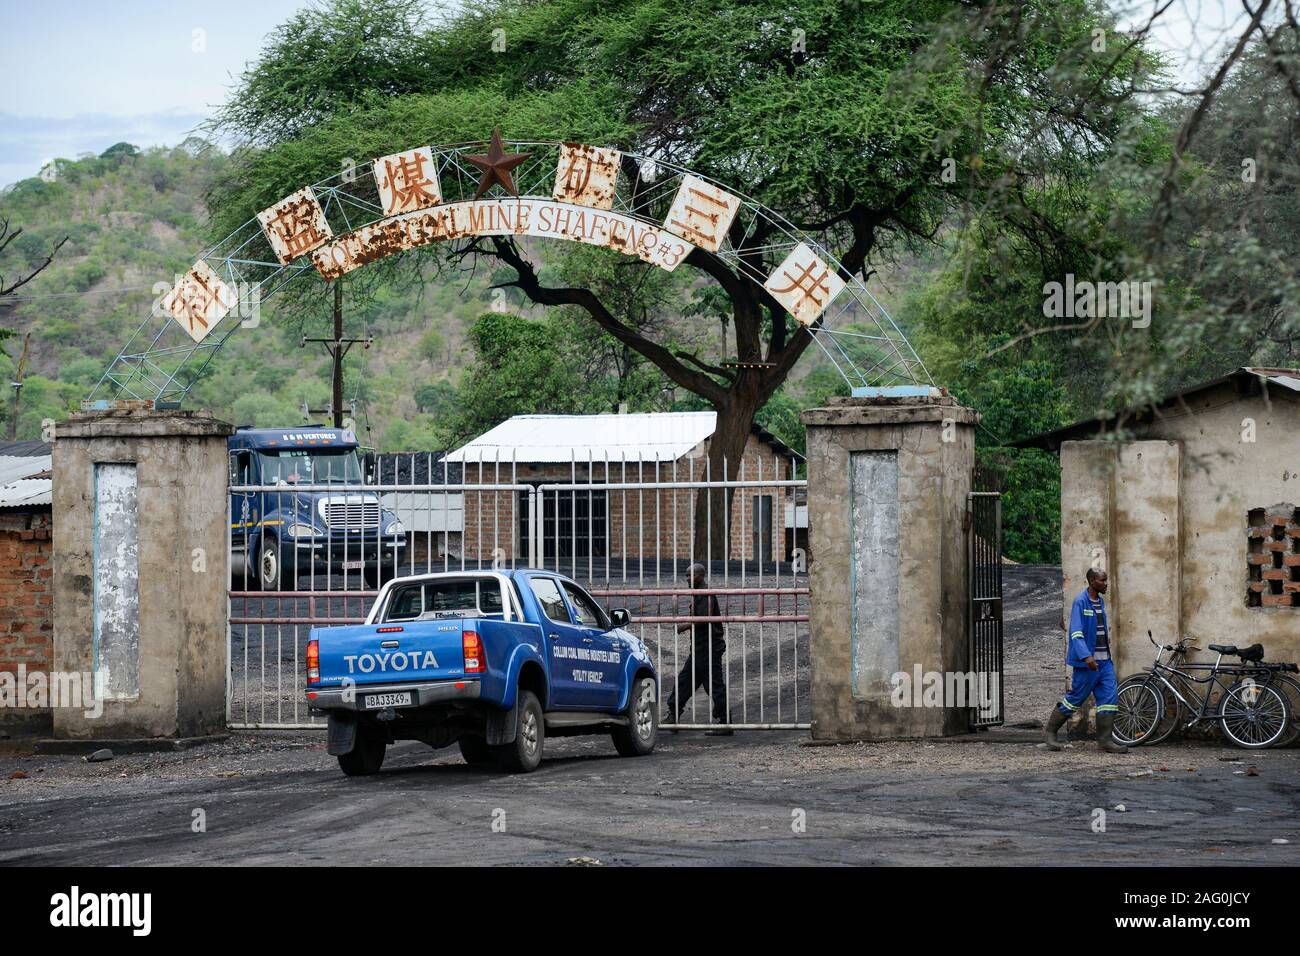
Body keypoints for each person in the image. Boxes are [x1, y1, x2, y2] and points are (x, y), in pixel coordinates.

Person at [1043, 567, 1127, 753]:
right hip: (1087, 663)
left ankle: (1105, 741)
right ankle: (1050, 732)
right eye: (1102, 580)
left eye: (1105, 580)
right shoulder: (1081, 601)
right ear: (1091, 581)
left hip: (1104, 662)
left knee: (1108, 699)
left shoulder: (1100, 602)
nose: (1105, 584)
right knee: (1075, 699)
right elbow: (1076, 632)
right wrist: (1086, 656)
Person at [663, 563, 732, 735]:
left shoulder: (705, 593)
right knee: (684, 682)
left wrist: (684, 625)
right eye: (686, 576)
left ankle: (725, 722)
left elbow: (704, 618)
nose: (687, 579)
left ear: (700, 575)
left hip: (709, 648)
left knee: (714, 685)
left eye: (690, 575)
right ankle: (673, 715)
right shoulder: (698, 594)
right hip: (700, 649)